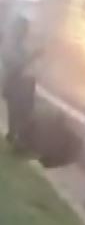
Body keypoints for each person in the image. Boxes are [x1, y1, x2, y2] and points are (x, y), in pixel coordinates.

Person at [2, 16, 42, 150]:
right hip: (15, 84)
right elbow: (15, 65)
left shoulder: (16, 44)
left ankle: (14, 136)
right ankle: (16, 137)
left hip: (15, 83)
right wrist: (34, 56)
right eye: (24, 29)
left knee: (15, 113)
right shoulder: (11, 45)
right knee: (18, 113)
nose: (26, 32)